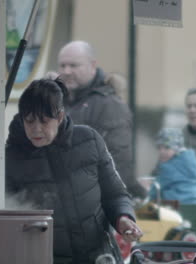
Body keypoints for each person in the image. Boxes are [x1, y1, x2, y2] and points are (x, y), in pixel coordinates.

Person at [5, 78, 142, 264]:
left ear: (60, 117)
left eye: (44, 121)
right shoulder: (12, 157)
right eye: (29, 121)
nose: (36, 129)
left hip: (99, 257)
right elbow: (1, 212)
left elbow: (114, 194)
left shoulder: (89, 140)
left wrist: (123, 219)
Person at [46, 40, 146, 199]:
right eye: (62, 65)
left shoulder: (109, 104)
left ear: (92, 66)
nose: (67, 71)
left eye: (73, 65)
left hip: (93, 199)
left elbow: (118, 160)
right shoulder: (58, 98)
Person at [148, 128, 196, 204]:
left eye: (167, 147)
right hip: (194, 202)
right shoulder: (191, 160)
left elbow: (158, 186)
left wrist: (149, 197)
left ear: (177, 148)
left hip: (175, 203)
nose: (162, 151)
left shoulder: (168, 167)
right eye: (159, 147)